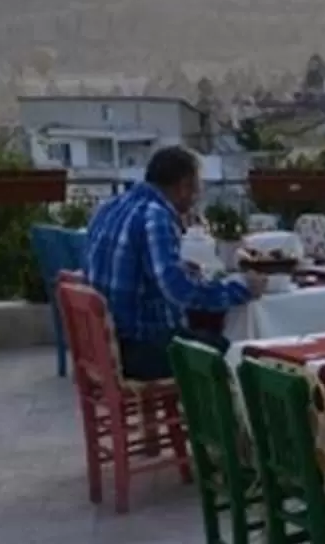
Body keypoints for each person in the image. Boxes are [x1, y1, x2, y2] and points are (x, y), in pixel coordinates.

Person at [83, 146, 259, 380]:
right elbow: (180, 292)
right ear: (184, 186)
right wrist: (241, 288)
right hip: (137, 347)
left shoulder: (109, 207)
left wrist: (180, 268)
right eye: (197, 187)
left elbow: (134, 265)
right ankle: (215, 416)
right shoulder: (155, 215)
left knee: (202, 332)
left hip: (103, 346)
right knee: (234, 352)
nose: (197, 196)